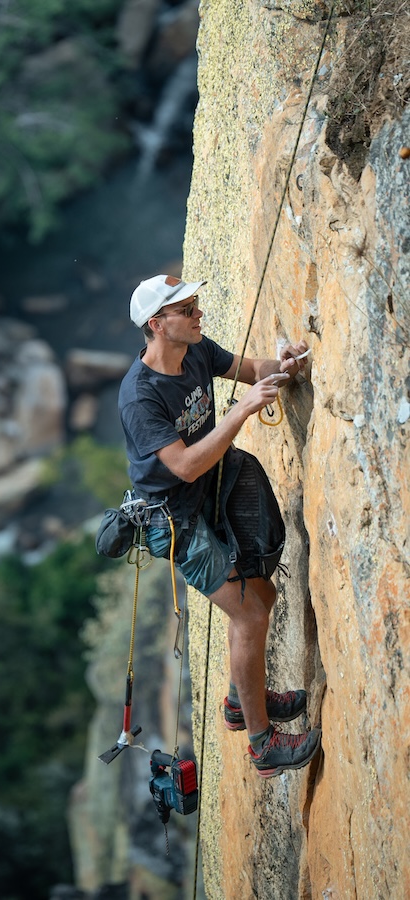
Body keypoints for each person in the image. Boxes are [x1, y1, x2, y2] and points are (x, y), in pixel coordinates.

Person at [118, 274, 321, 778]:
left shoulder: (196, 350)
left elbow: (252, 369)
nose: (198, 314)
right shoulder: (140, 397)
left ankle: (238, 700)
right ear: (156, 324)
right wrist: (240, 412)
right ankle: (262, 744)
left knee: (262, 594)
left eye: (195, 304)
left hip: (209, 488)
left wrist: (284, 367)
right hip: (174, 520)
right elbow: (184, 466)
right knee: (249, 615)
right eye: (186, 309)